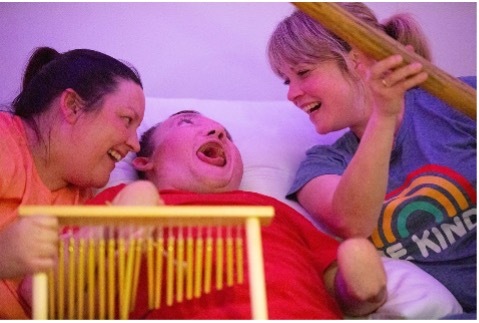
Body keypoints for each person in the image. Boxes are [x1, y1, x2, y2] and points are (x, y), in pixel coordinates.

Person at [267, 3, 476, 317]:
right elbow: (354, 222)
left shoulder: (459, 101)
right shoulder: (321, 165)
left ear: (357, 58)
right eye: (286, 80)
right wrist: (384, 115)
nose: (291, 94)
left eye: (303, 73)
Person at [85, 110, 387, 319]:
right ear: (144, 162)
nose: (217, 132)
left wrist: (362, 291)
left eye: (227, 135)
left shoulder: (272, 209)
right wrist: (117, 225)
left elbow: (336, 285)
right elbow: (64, 284)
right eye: (186, 123)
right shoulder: (123, 202)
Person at [0, 46, 146, 318]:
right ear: (73, 107)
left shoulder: (85, 200)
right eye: (127, 120)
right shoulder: (5, 141)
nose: (135, 144)